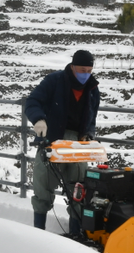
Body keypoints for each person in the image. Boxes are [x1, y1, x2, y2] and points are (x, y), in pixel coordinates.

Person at [25, 49, 100, 234]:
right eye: (82, 70)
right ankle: (39, 230)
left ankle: (75, 232)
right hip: (52, 140)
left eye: (89, 71)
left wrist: (88, 134)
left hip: (76, 144)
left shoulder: (92, 89)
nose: (85, 74)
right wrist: (39, 120)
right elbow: (33, 101)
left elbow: (92, 117)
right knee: (44, 183)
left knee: (78, 187)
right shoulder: (54, 81)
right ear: (72, 66)